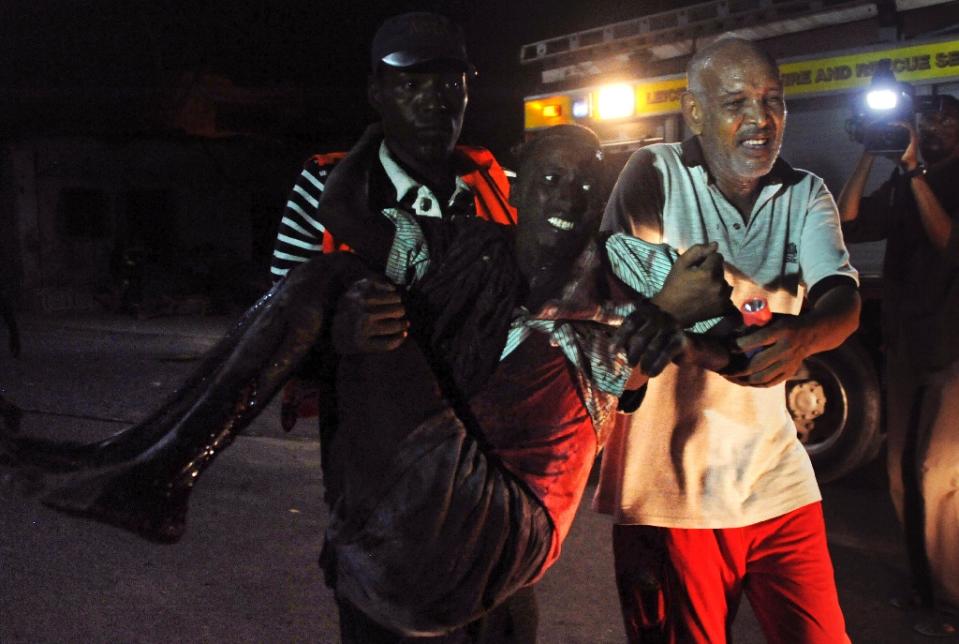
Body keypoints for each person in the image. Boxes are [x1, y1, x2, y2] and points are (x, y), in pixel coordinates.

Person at [594, 37, 861, 643]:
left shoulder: (805, 191)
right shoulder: (654, 173)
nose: (759, 121)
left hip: (778, 479)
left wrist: (806, 334)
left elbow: (841, 299)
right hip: (673, 495)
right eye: (735, 102)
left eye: (773, 101)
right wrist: (733, 342)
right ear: (694, 113)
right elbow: (647, 314)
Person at [837, 93, 959, 637]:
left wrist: (914, 169)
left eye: (944, 120)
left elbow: (949, 243)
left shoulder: (940, 179)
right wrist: (870, 153)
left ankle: (953, 601)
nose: (932, 127)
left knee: (939, 475)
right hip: (906, 347)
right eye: (925, 120)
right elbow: (848, 220)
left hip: (953, 351)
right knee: (899, 475)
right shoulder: (908, 181)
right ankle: (922, 583)